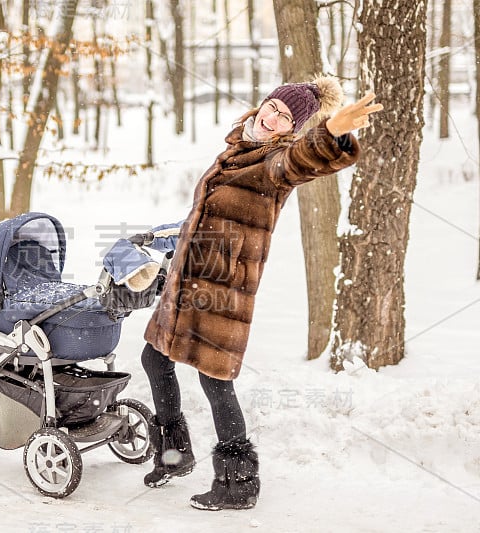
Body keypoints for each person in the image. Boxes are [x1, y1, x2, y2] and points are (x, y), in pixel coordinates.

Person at [139, 76, 383, 511]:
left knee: (214, 379)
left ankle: (238, 485)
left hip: (221, 290)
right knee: (153, 357)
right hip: (187, 282)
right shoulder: (235, 149)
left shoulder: (273, 163)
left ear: (291, 130)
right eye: (272, 106)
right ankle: (173, 454)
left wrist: (331, 134)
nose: (270, 118)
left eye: (284, 118)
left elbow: (301, 161)